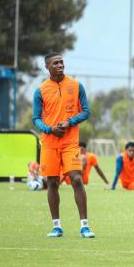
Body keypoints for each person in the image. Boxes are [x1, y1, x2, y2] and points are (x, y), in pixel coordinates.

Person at [32, 52, 94, 238]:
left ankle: (84, 226)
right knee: (52, 182)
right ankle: (56, 226)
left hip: (70, 143)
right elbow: (36, 119)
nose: (60, 65)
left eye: (61, 62)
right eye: (55, 63)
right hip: (49, 143)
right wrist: (50, 129)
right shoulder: (40, 90)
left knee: (76, 179)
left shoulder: (76, 86)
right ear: (47, 67)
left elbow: (86, 111)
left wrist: (70, 122)